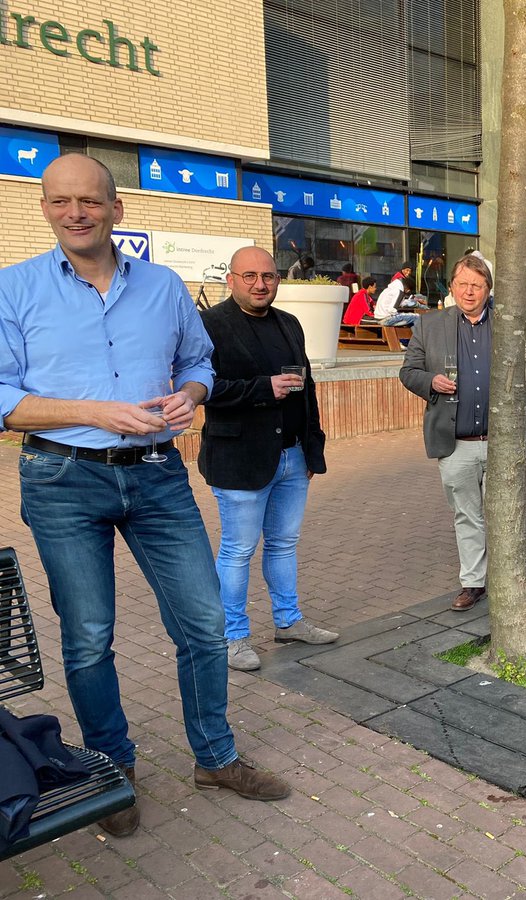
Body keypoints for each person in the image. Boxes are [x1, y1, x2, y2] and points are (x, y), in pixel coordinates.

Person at [0, 154, 290, 838]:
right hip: (63, 478)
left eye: (91, 201)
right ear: (45, 208)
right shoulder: (13, 289)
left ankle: (215, 758)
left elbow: (199, 364)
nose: (77, 212)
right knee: (90, 637)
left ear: (116, 209)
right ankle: (112, 769)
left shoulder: (162, 287)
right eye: (62, 201)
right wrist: (95, 412)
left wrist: (191, 395)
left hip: (158, 473)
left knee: (203, 624)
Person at [198, 246, 339, 673]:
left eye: (269, 276)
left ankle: (288, 621)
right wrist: (263, 388)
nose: (261, 284)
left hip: (293, 457)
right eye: (250, 277)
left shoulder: (289, 323)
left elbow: (307, 388)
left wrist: (313, 447)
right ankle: (233, 637)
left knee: (283, 544)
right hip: (240, 459)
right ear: (232, 279)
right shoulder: (209, 324)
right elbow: (201, 387)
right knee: (238, 550)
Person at [399, 253, 526, 611]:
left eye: (476, 285)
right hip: (456, 442)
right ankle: (474, 582)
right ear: (451, 288)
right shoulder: (429, 326)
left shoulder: (511, 324)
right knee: (467, 515)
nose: (469, 291)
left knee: (504, 513)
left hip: (501, 443)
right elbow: (408, 371)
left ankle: (508, 579)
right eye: (462, 284)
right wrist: (431, 381)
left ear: (488, 289)